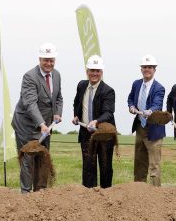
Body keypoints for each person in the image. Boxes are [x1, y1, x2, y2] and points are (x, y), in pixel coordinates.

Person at [12, 43, 63, 193]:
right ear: (39, 59)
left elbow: (58, 97)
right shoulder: (30, 77)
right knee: (28, 158)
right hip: (26, 124)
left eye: (51, 60)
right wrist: (41, 123)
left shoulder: (57, 75)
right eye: (45, 60)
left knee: (43, 157)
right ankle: (26, 193)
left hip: (46, 125)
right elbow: (30, 104)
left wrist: (57, 113)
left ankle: (40, 191)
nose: (48, 63)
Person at [72, 55, 116, 188]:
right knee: (88, 167)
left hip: (103, 134)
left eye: (97, 71)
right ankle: (89, 197)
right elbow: (76, 102)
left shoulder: (108, 91)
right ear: (87, 71)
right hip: (86, 133)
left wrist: (96, 121)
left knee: (105, 166)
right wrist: (76, 116)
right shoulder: (81, 85)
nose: (94, 73)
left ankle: (106, 195)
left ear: (101, 73)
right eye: (92, 70)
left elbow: (108, 112)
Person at [127, 55, 166, 186]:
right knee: (139, 162)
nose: (147, 69)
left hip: (154, 130)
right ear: (141, 69)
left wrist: (151, 110)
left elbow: (157, 103)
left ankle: (155, 194)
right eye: (144, 67)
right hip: (140, 128)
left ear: (155, 69)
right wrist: (131, 106)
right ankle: (139, 192)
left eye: (150, 67)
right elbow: (131, 98)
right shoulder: (136, 84)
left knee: (154, 165)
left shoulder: (159, 88)